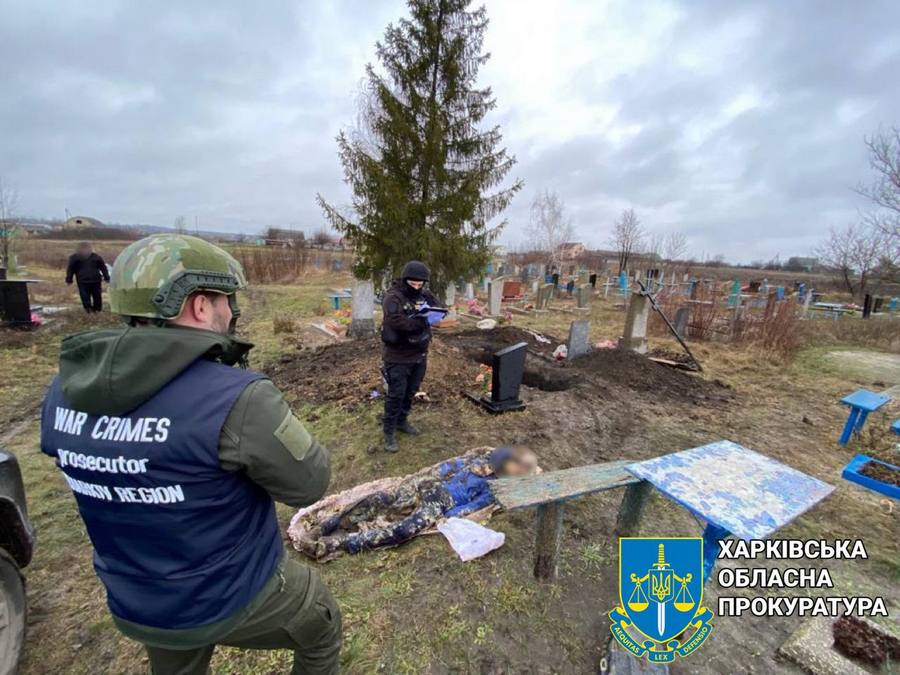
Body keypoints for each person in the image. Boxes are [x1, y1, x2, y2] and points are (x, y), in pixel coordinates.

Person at [40, 234, 341, 675]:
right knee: (321, 623)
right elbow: (309, 484)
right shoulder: (236, 397)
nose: (230, 311)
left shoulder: (62, 390)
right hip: (230, 592)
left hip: (138, 599)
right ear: (199, 305)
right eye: (225, 298)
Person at [380, 260, 444, 453]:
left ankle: (402, 421)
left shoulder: (424, 294)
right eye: (412, 283)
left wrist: (433, 314)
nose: (416, 287)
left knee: (410, 392)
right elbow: (396, 320)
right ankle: (389, 431)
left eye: (420, 284)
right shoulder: (393, 297)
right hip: (397, 355)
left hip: (419, 353)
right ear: (405, 279)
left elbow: (437, 307)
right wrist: (421, 322)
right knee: (396, 394)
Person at [65, 241, 110, 313]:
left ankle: (90, 310)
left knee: (86, 296)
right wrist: (107, 277)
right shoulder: (96, 257)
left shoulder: (75, 257)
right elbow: (103, 268)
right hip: (93, 279)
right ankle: (96, 309)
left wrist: (69, 280)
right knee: (96, 295)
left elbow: (70, 269)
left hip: (84, 280)